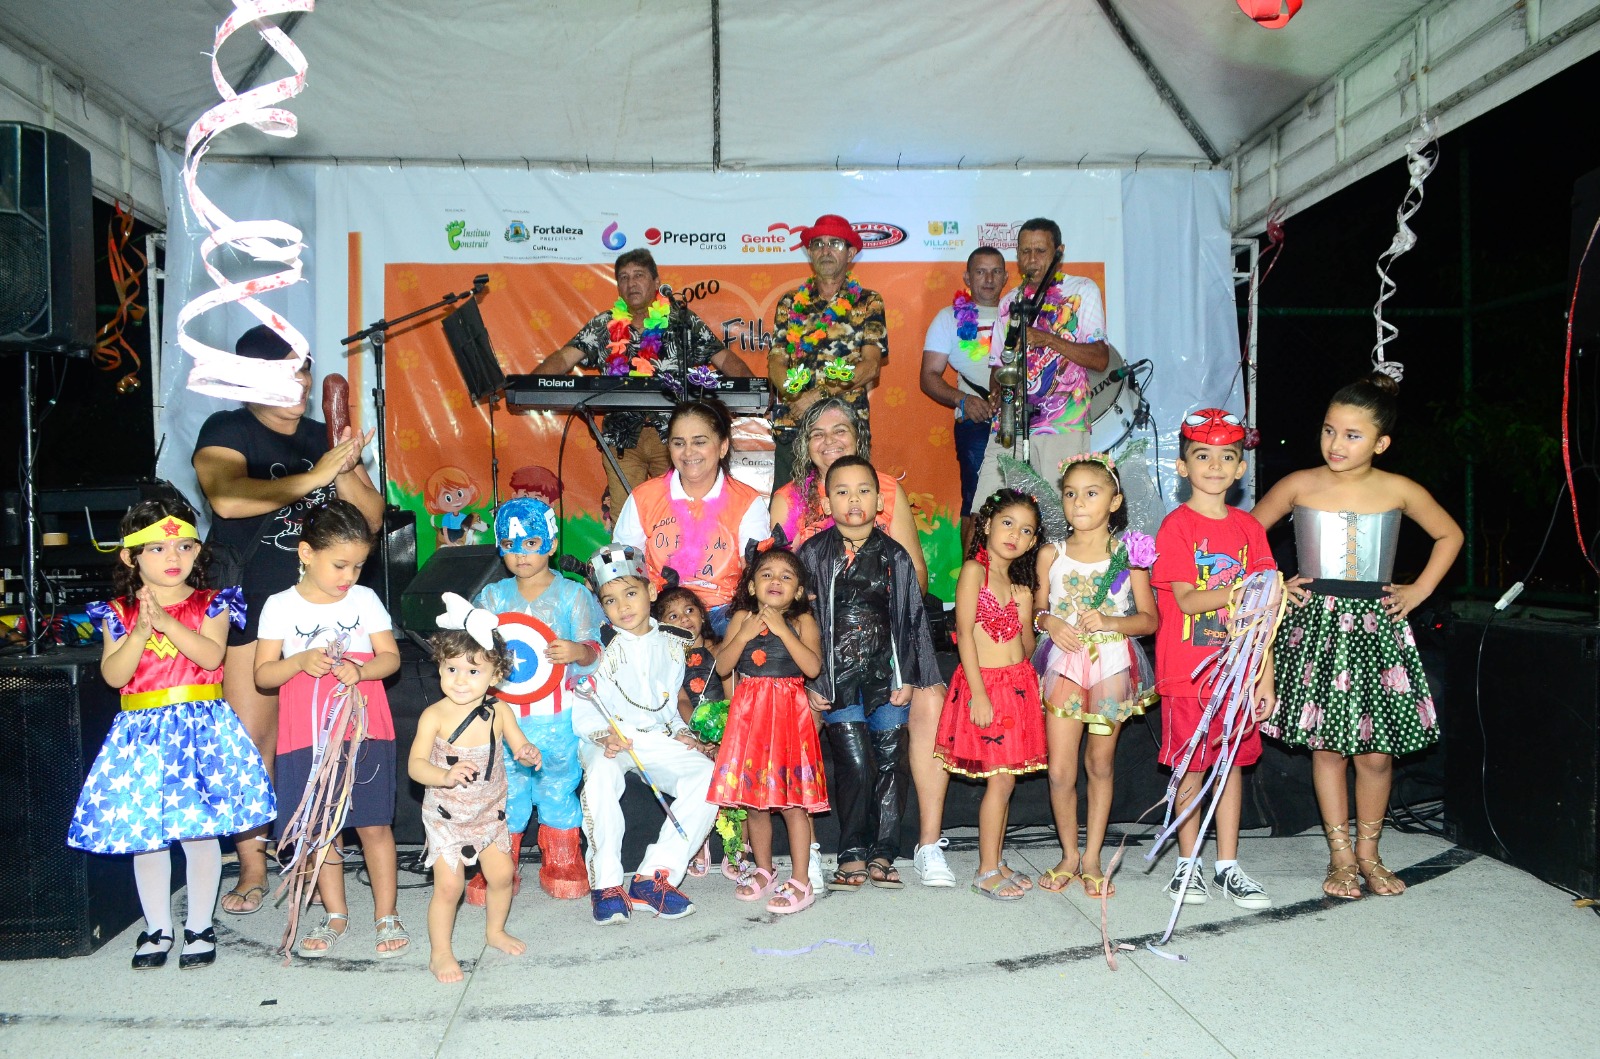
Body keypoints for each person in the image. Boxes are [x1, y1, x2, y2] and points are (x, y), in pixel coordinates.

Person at [192, 323, 383, 916]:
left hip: (327, 610)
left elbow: (370, 519)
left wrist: (342, 462)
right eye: (285, 375)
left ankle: (318, 848)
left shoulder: (319, 436)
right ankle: (253, 864)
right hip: (253, 603)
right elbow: (227, 498)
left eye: (303, 372)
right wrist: (314, 476)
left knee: (325, 741)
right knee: (255, 742)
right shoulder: (227, 430)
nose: (300, 385)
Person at [1253, 373, 1462, 899]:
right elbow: (1245, 537)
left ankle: (1370, 854)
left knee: (1376, 753)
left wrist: (1419, 590)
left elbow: (1449, 534)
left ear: (1380, 443)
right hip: (1316, 629)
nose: (1335, 444)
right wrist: (1275, 583)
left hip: (1377, 630)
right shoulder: (1299, 484)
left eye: (1351, 435)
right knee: (1327, 749)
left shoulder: (1399, 489)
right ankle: (1340, 857)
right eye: (1329, 430)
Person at [67, 497, 274, 970]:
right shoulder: (117, 613)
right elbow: (115, 676)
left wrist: (164, 622)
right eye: (157, 549)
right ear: (131, 558)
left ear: (198, 551)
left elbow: (210, 657)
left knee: (199, 833)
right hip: (141, 737)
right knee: (148, 836)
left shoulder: (212, 603)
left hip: (199, 732)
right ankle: (157, 927)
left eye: (184, 545)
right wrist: (140, 632)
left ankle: (199, 925)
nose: (173, 556)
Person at [768, 398, 953, 887]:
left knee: (902, 739)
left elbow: (913, 596)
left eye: (840, 430)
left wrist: (906, 672)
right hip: (823, 658)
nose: (829, 441)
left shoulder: (890, 527)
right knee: (845, 751)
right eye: (817, 433)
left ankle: (915, 847)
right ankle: (820, 850)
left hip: (887, 658)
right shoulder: (800, 522)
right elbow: (781, 589)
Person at [254, 499, 407, 958]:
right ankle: (335, 913)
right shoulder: (280, 606)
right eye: (340, 565)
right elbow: (263, 675)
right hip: (306, 735)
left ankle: (386, 914)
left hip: (365, 731)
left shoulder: (364, 600)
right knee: (321, 828)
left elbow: (390, 658)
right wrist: (299, 661)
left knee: (375, 824)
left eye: (358, 566)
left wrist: (361, 671)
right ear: (306, 553)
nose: (349, 576)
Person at [797, 456, 943, 892]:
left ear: (880, 501)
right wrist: (813, 680)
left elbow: (912, 620)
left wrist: (909, 676)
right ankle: (851, 851)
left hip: (887, 677)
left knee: (890, 761)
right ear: (826, 504)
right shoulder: (813, 555)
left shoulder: (895, 556)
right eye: (841, 492)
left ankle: (884, 851)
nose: (853, 499)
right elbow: (802, 621)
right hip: (836, 680)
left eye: (863, 490)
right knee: (856, 763)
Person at [1150, 409, 1277, 909]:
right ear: (1183, 467)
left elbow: (1265, 612)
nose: (1215, 466)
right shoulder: (1176, 527)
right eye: (1202, 456)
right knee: (1191, 768)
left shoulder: (1250, 529)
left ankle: (1227, 866)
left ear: (1241, 468)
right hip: (1188, 673)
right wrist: (1244, 588)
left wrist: (1264, 677)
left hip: (1239, 674)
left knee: (1231, 767)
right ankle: (1188, 864)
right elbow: (1187, 600)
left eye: (1227, 457)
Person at [533, 249, 752, 517]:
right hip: (622, 441)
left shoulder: (682, 321)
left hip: (675, 439)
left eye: (639, 275)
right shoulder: (604, 325)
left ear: (656, 282)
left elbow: (724, 358)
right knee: (625, 517)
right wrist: (530, 383)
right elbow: (564, 358)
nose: (631, 283)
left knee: (678, 514)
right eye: (624, 277)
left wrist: (753, 389)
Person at [1031, 455, 1159, 897]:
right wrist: (1050, 622)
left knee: (1100, 764)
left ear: (1114, 501)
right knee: (1060, 770)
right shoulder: (1051, 554)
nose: (1079, 502)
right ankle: (1069, 854)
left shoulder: (1130, 556)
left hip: (1110, 666)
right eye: (1070, 494)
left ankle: (1092, 859)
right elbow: (1038, 610)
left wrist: (1110, 621)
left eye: (1091, 493)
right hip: (1064, 665)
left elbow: (1149, 620)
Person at [574, 544, 720, 925]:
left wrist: (683, 732)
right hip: (609, 736)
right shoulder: (596, 646)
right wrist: (602, 735)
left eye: (631, 594)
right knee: (601, 775)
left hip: (654, 737)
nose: (623, 607)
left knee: (708, 776)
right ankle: (607, 885)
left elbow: (668, 703)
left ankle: (654, 877)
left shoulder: (673, 642)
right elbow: (583, 701)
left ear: (651, 591)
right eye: (610, 600)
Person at [471, 496, 602, 902]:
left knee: (558, 782)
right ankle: (499, 864)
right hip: (503, 714)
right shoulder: (492, 597)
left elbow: (596, 648)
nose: (521, 554)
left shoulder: (573, 595)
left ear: (550, 543)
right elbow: (472, 648)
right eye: (510, 545)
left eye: (531, 543)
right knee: (504, 786)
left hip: (556, 715)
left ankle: (562, 857)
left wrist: (577, 651)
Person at [409, 603, 543, 983]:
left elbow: (519, 744)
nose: (460, 680)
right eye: (451, 669)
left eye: (473, 671)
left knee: (502, 876)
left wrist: (527, 752)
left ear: (495, 675)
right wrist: (444, 775)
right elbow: (415, 766)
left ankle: (495, 931)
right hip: (447, 816)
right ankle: (440, 953)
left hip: (488, 813)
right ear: (439, 667)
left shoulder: (500, 711)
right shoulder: (434, 716)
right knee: (449, 886)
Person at [936, 488, 1048, 900]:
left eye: (1026, 530)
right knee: (999, 782)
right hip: (986, 686)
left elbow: (1026, 649)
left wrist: (1025, 611)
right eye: (1007, 524)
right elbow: (964, 634)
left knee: (1007, 782)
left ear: (1032, 543)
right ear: (986, 525)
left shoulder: (1017, 584)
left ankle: (996, 861)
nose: (1015, 535)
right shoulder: (974, 572)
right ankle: (985, 870)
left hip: (1018, 686)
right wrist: (979, 695)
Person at [710, 546, 827, 914]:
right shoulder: (741, 617)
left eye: (786, 576)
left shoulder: (803, 621)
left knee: (793, 803)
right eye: (766, 574)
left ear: (798, 591)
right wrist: (744, 634)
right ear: (751, 585)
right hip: (750, 719)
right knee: (754, 802)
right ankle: (764, 870)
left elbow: (812, 668)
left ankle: (802, 881)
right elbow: (723, 667)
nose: (775, 580)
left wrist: (781, 629)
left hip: (789, 717)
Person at [972, 217, 1110, 500]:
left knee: (1056, 513)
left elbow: (1100, 358)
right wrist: (998, 390)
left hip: (1061, 425)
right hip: (1008, 425)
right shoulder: (1010, 301)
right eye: (1025, 252)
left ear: (1059, 252)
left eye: (1040, 251)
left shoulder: (1082, 290)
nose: (1032, 259)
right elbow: (998, 364)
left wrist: (1047, 338)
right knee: (988, 508)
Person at [611, 399, 769, 635]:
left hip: (725, 614)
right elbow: (623, 568)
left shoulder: (747, 501)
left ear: (723, 446)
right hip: (661, 614)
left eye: (699, 442)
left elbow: (756, 574)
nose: (688, 452)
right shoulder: (644, 497)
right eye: (679, 443)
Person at [769, 214, 888, 487]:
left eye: (835, 243)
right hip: (794, 423)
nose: (825, 250)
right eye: (818, 244)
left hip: (845, 429)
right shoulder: (790, 301)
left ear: (851, 253)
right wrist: (797, 397)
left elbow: (870, 366)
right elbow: (776, 362)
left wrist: (818, 396)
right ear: (810, 253)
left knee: (847, 501)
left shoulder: (868, 301)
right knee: (789, 504)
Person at [921, 246, 1011, 543]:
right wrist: (963, 400)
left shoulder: (1020, 315)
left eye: (996, 272)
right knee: (976, 505)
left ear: (1006, 277)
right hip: (976, 423)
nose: (989, 279)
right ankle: (972, 573)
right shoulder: (948, 318)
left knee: (1022, 502)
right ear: (967, 278)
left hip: (1025, 421)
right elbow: (928, 377)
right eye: (981, 272)